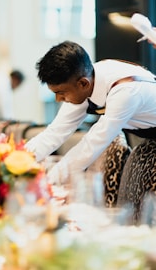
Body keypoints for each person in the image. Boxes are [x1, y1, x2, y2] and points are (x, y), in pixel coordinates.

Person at [25, 40, 156, 219]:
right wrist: (15, 163)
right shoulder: (84, 81)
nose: (58, 99)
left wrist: (45, 183)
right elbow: (54, 133)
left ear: (83, 84)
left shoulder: (126, 91)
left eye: (61, 93)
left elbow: (90, 146)